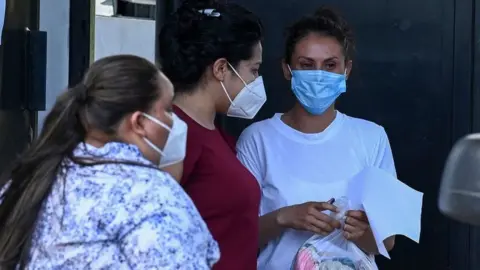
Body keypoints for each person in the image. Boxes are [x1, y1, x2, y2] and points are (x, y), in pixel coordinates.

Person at [0, 55, 219, 269]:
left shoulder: (31, 179)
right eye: (168, 110)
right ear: (140, 122)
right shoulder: (149, 193)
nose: (174, 122)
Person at [236, 7, 396, 270]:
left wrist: (360, 232)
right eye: (306, 65)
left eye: (330, 65)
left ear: (347, 70)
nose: (319, 74)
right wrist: (284, 218)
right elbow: (237, 237)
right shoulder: (257, 139)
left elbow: (387, 242)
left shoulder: (372, 137)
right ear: (287, 70)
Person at [158, 0, 264, 269]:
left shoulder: (213, 131)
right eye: (253, 70)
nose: (256, 82)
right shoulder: (175, 136)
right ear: (221, 69)